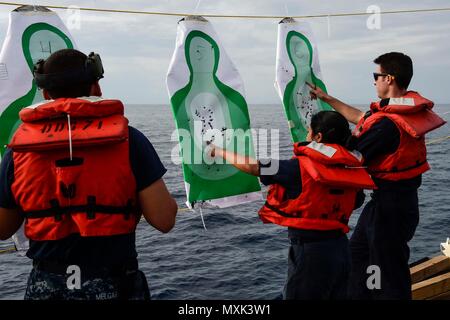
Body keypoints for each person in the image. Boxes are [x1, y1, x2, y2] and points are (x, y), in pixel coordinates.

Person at [0, 49, 178, 300]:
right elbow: (164, 220)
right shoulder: (129, 140)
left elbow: (2, 229)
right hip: (116, 284)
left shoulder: (19, 151)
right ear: (96, 88)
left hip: (47, 286)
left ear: (46, 94)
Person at [308, 52, 446, 299]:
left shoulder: (386, 126)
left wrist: (313, 142)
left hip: (391, 209)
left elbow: (349, 155)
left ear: (389, 78)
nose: (374, 81)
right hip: (387, 204)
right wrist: (327, 99)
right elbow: (362, 118)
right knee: (358, 255)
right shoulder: (395, 113)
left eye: (376, 76)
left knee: (389, 272)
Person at [210, 111, 375, 299]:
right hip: (341, 250)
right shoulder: (351, 167)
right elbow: (356, 202)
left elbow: (254, 166)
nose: (307, 136)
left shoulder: (297, 168)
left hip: (311, 254)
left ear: (318, 137)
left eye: (309, 131)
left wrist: (219, 151)